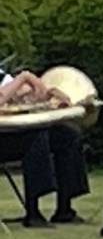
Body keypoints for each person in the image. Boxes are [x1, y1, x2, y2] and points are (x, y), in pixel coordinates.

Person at [0, 68, 89, 227]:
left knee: (68, 135)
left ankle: (64, 208)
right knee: (35, 138)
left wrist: (48, 95)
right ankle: (33, 212)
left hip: (11, 132)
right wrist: (23, 78)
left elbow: (18, 93)